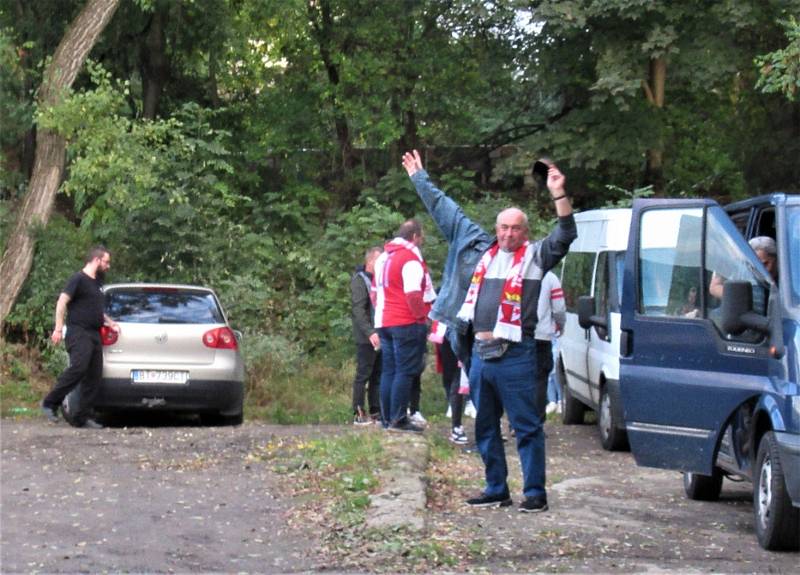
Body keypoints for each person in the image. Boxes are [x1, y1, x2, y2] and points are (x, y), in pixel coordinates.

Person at [402, 150, 576, 513]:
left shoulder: (536, 257)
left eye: (515, 228)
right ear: (496, 229)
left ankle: (534, 492)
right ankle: (496, 487)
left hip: (517, 354)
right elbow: (441, 206)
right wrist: (419, 177)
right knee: (485, 427)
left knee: (526, 426)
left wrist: (559, 195)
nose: (509, 233)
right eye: (503, 227)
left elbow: (565, 234)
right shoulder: (476, 247)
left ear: (525, 232)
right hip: (479, 354)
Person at [41, 246, 120, 429]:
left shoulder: (97, 283)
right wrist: (58, 329)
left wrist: (110, 322)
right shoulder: (78, 279)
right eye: (106, 262)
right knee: (78, 367)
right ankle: (50, 403)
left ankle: (81, 417)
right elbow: (62, 302)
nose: (108, 266)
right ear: (97, 260)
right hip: (78, 332)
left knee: (94, 376)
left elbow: (96, 311)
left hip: (94, 333)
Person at [373, 220, 430, 433]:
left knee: (389, 370)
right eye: (421, 237)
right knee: (405, 371)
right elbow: (413, 294)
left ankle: (387, 418)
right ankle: (398, 418)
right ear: (415, 236)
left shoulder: (383, 258)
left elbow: (375, 291)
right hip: (405, 321)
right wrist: (421, 318)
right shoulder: (410, 259)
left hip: (384, 320)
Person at [350, 246, 383, 425]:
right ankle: (358, 412)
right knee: (363, 374)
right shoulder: (359, 280)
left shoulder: (380, 280)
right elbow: (359, 310)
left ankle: (376, 411)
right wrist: (370, 332)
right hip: (366, 337)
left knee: (378, 375)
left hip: (381, 333)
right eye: (379, 260)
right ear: (370, 261)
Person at [708, 236, 778, 299]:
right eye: (754, 267)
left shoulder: (787, 282)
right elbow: (714, 287)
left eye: (765, 264)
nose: (760, 271)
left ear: (777, 261)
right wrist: (740, 298)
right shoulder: (734, 267)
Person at [536, 271, 565, 416]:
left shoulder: (515, 270)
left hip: (517, 336)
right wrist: (561, 324)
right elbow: (559, 308)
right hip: (542, 336)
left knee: (520, 380)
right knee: (541, 380)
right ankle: (537, 422)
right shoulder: (550, 277)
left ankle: (515, 424)